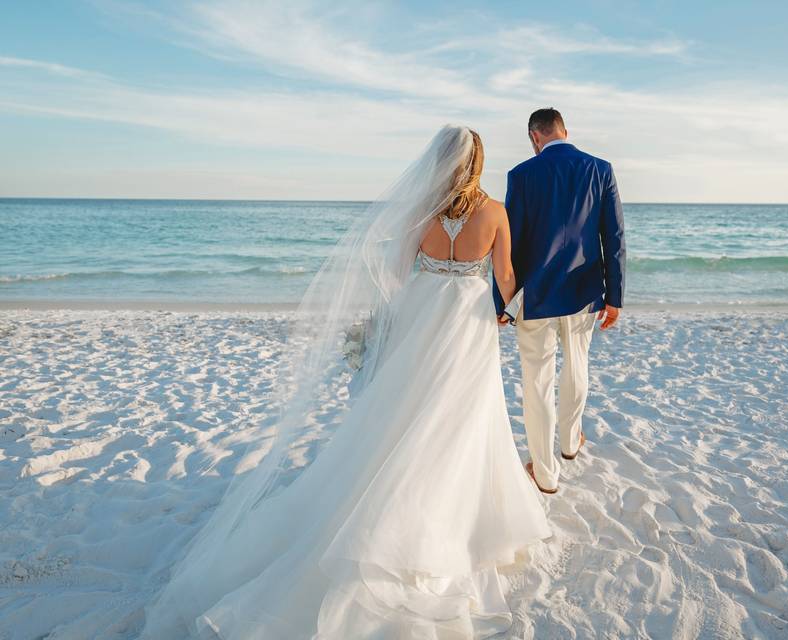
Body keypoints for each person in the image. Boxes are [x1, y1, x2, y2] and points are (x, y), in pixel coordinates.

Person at [140, 126, 551, 639]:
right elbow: (505, 274)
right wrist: (511, 314)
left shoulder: (420, 213)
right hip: (467, 328)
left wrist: (397, 317)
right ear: (478, 163)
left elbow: (397, 276)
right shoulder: (494, 213)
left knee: (405, 412)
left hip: (422, 323)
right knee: (460, 418)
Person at [494, 108, 626, 494]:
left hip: (534, 295)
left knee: (537, 381)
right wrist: (614, 294)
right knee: (577, 366)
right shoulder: (600, 169)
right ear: (564, 131)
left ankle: (546, 472)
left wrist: (503, 301)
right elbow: (613, 236)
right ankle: (570, 443)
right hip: (585, 291)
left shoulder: (521, 175)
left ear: (535, 137)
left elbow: (510, 243)